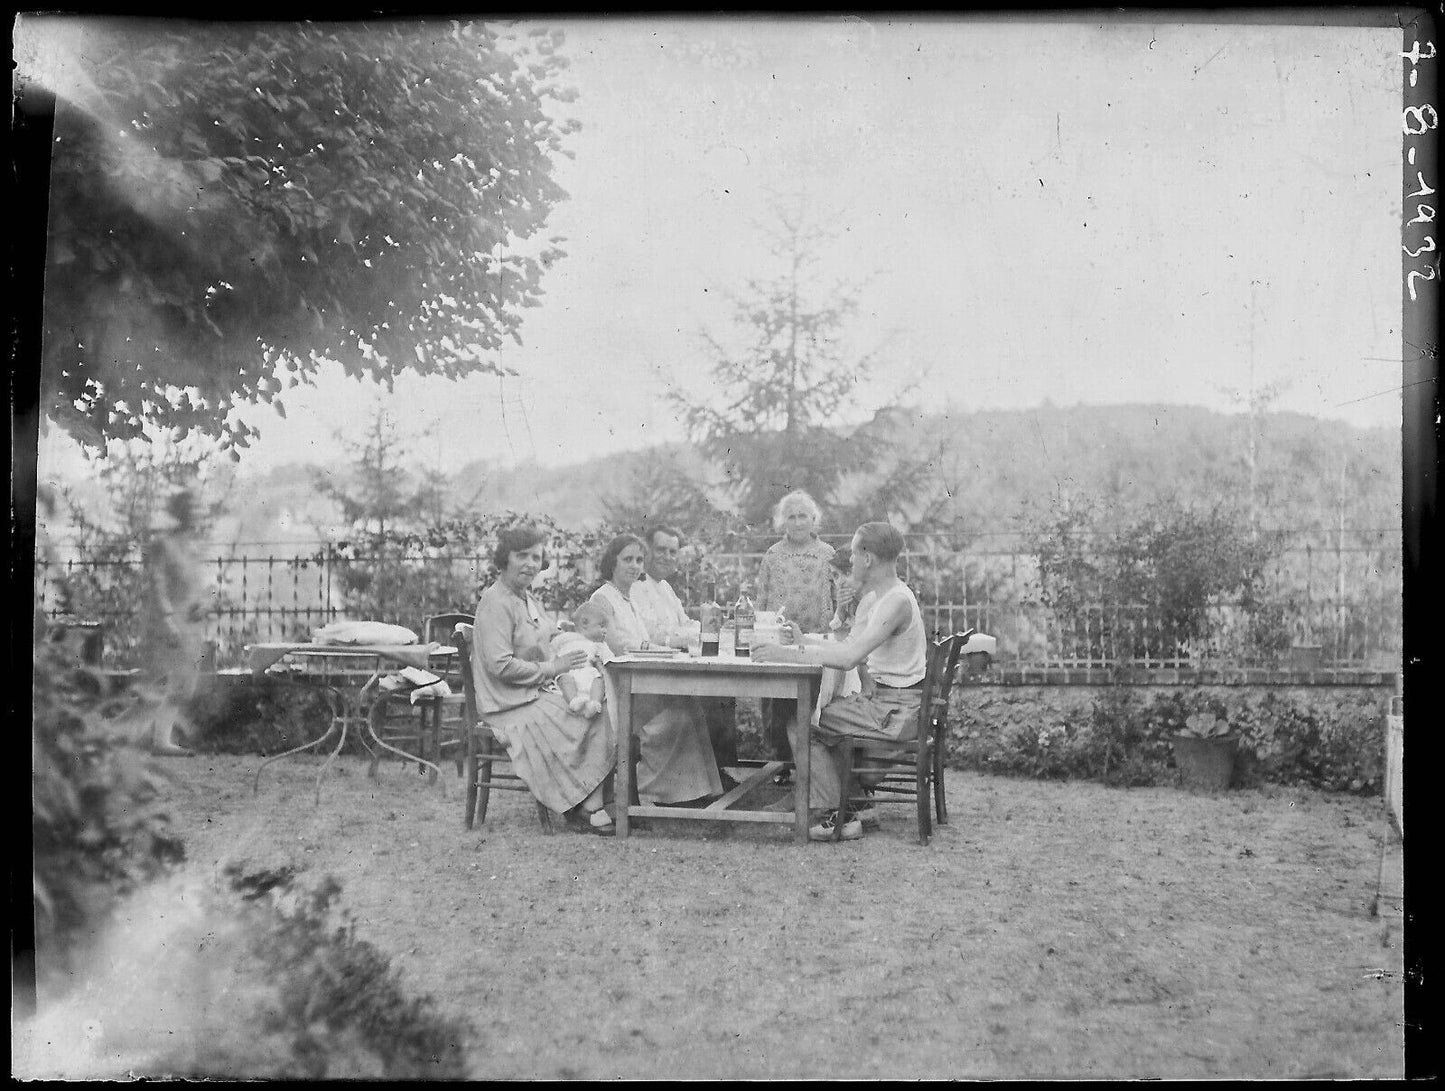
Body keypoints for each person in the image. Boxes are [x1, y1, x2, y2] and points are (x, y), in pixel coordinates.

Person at [753, 521, 926, 843]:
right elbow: (850, 648)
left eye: (855, 553)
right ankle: (857, 803)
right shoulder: (886, 596)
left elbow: (849, 659)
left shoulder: (895, 601)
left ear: (868, 559)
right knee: (817, 714)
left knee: (805, 721)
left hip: (897, 711)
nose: (851, 561)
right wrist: (804, 642)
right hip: (892, 704)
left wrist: (787, 654)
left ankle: (840, 815)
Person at [472, 524, 616, 835]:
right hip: (507, 701)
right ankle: (587, 805)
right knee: (583, 713)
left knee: (599, 703)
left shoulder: (526, 597)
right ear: (504, 559)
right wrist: (554, 667)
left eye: (535, 557)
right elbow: (501, 666)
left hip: (533, 689)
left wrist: (571, 636)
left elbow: (547, 633)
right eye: (521, 555)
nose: (529, 564)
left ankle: (588, 797)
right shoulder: (496, 601)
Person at [589, 534, 724, 807]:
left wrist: (658, 647)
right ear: (611, 562)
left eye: (639, 560)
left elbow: (643, 638)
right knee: (678, 713)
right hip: (617, 688)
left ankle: (695, 791)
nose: (635, 566)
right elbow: (617, 645)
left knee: (691, 705)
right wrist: (653, 647)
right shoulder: (602, 598)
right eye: (627, 559)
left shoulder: (628, 598)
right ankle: (662, 793)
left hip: (637, 679)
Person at [754, 490, 836, 785]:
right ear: (782, 522)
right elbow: (761, 600)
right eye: (792, 516)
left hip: (816, 641)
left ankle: (814, 766)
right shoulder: (773, 556)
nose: (798, 522)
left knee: (814, 702)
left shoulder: (828, 555)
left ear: (814, 520)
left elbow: (839, 600)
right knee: (778, 704)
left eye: (804, 516)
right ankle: (783, 764)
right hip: (781, 641)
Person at [137, 489, 209, 756]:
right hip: (166, 620)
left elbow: (201, 585)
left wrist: (204, 602)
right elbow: (157, 585)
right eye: (192, 508)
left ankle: (160, 740)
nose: (197, 514)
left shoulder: (195, 546)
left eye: (198, 508)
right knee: (161, 681)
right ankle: (151, 740)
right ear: (180, 512)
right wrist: (168, 620)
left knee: (184, 684)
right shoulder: (162, 544)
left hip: (189, 622)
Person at [550, 602, 611, 719]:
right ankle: (574, 701)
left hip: (589, 673)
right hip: (569, 671)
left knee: (599, 680)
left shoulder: (599, 645)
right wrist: (554, 664)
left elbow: (609, 660)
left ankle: (594, 703)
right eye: (601, 625)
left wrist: (599, 664)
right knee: (564, 679)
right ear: (584, 623)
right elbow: (552, 652)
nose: (605, 630)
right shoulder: (565, 639)